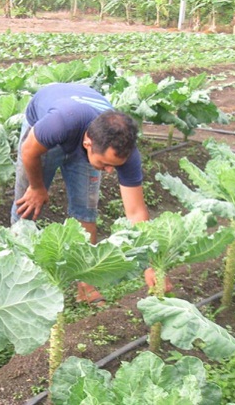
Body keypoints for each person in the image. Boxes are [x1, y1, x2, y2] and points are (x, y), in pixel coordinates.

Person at [11, 82, 151, 306]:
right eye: (105, 164)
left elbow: (135, 212)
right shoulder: (58, 123)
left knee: (86, 209)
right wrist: (37, 187)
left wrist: (150, 263)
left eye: (114, 166)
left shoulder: (124, 151)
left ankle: (85, 284)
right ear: (88, 143)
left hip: (84, 134)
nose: (109, 171)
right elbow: (29, 151)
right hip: (44, 133)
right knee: (26, 206)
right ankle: (16, 282)